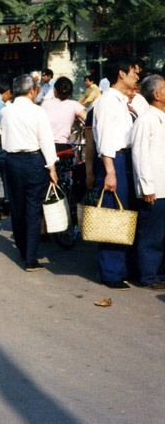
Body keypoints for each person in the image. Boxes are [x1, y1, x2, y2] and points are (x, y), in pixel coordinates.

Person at [0, 75, 58, 272]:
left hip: (11, 160)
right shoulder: (37, 111)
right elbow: (46, 141)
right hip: (34, 161)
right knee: (33, 209)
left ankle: (23, 250)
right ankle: (31, 258)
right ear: (32, 90)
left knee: (17, 207)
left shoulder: (5, 111)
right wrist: (52, 166)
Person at [92, 55, 139, 289]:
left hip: (124, 159)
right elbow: (105, 139)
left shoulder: (121, 101)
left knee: (124, 213)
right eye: (134, 72)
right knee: (112, 215)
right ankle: (110, 272)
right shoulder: (108, 101)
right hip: (114, 159)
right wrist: (110, 171)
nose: (137, 77)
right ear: (122, 73)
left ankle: (119, 268)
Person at [131, 74, 165, 290]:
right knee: (151, 236)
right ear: (157, 94)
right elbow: (139, 155)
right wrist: (147, 187)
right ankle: (149, 276)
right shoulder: (145, 120)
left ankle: (159, 272)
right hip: (155, 188)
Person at [41, 77, 87, 154]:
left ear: (55, 90)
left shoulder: (45, 104)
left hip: (45, 145)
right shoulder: (74, 105)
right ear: (71, 92)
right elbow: (88, 120)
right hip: (64, 147)